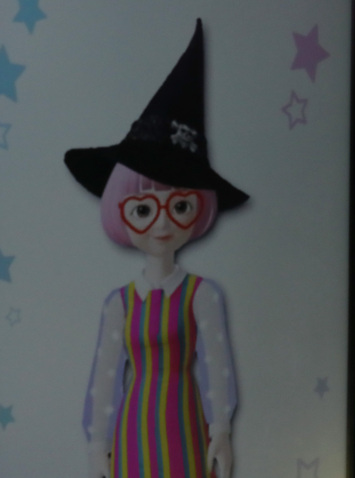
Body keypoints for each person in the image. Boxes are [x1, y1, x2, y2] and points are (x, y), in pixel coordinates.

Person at [64, 20, 248, 478]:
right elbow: (106, 375)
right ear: (122, 211)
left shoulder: (201, 294)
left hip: (184, 421)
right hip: (134, 424)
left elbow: (216, 363)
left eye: (179, 206)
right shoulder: (120, 303)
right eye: (143, 210)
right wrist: (97, 442)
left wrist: (220, 427)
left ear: (199, 209)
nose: (162, 223)